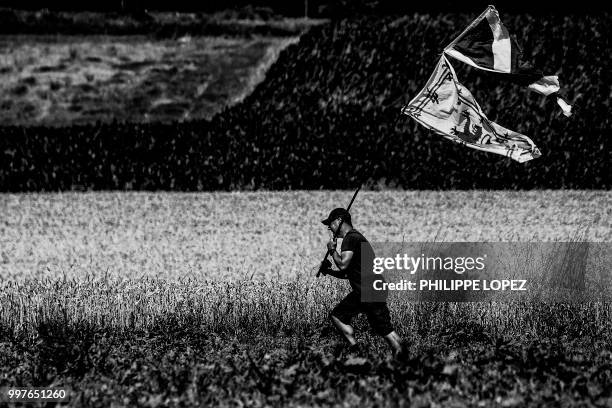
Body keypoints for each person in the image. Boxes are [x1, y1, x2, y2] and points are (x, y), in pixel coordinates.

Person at [320, 207, 403, 355]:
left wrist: (332, 250)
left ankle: (357, 350)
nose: (330, 229)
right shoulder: (356, 238)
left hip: (366, 291)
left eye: (330, 225)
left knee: (338, 316)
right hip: (370, 290)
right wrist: (329, 271)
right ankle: (403, 356)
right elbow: (348, 273)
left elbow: (343, 263)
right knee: (385, 330)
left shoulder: (350, 238)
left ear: (339, 221)